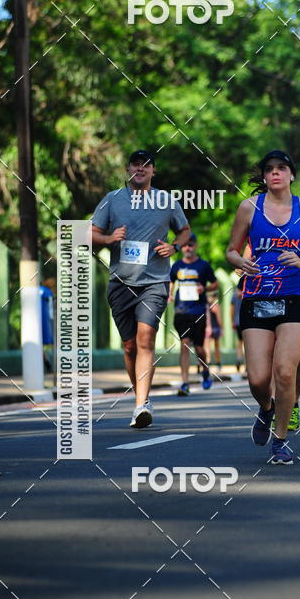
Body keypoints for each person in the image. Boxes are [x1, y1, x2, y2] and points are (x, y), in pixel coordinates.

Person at [226, 150, 300, 464]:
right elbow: (231, 251)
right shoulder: (248, 208)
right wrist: (239, 261)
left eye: (282, 168)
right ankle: (267, 408)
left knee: (285, 372)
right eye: (270, 169)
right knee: (258, 379)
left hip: (295, 296)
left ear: (291, 175)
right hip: (257, 296)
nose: (275, 173)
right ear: (263, 176)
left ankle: (281, 440)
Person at [92, 149, 190, 427]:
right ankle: (140, 398)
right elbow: (89, 232)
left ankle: (141, 405)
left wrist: (175, 246)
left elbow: (184, 230)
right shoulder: (112, 200)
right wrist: (110, 237)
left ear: (153, 171)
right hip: (121, 282)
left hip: (155, 282)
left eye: (146, 165)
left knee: (146, 338)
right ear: (128, 169)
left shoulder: (167, 201)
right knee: (129, 345)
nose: (140, 168)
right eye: (136, 164)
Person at [169, 235, 217, 395]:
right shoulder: (176, 266)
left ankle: (205, 370)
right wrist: (169, 294)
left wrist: (204, 289)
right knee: (184, 344)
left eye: (190, 245)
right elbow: (171, 280)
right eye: (184, 246)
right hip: (181, 311)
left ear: (195, 246)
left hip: (198, 311)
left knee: (198, 347)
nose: (187, 248)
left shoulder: (203, 265)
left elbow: (215, 283)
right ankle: (185, 382)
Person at [230, 275, 245, 372]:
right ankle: (248, 364)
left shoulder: (235, 294)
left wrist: (232, 321)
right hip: (246, 320)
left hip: (238, 321)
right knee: (248, 344)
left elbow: (231, 308)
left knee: (239, 342)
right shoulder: (251, 291)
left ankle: (239, 359)